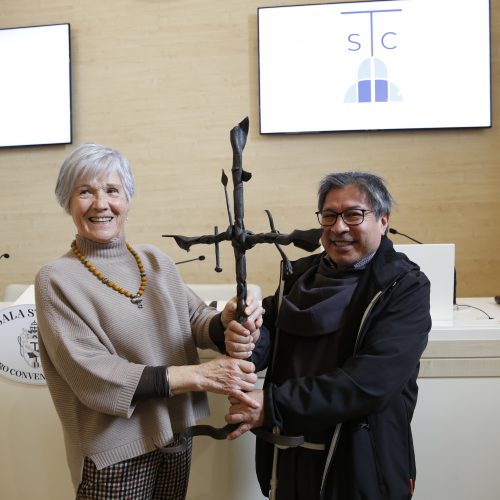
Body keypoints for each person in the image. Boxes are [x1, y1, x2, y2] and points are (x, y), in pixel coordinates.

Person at [35, 143, 263, 499]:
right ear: (68, 201)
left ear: (127, 198)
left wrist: (226, 320)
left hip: (176, 435)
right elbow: (93, 373)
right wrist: (199, 375)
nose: (101, 204)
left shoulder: (154, 261)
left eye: (112, 190)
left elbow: (194, 320)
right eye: (85, 192)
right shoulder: (56, 279)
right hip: (113, 454)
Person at [224, 171, 431, 500]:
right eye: (330, 215)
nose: (339, 228)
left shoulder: (403, 287)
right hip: (289, 454)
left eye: (354, 215)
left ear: (383, 221)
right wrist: (244, 336)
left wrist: (273, 405)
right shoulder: (298, 276)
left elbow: (372, 381)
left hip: (361, 463)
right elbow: (268, 338)